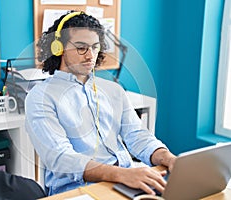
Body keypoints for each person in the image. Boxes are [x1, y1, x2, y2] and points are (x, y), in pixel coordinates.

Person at [25, 11, 176, 196]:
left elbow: (137, 136)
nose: (90, 56)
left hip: (126, 180)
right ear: (58, 48)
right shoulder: (40, 96)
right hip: (79, 190)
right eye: (81, 47)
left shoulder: (114, 91)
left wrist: (167, 157)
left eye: (95, 47)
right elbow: (61, 158)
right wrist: (122, 175)